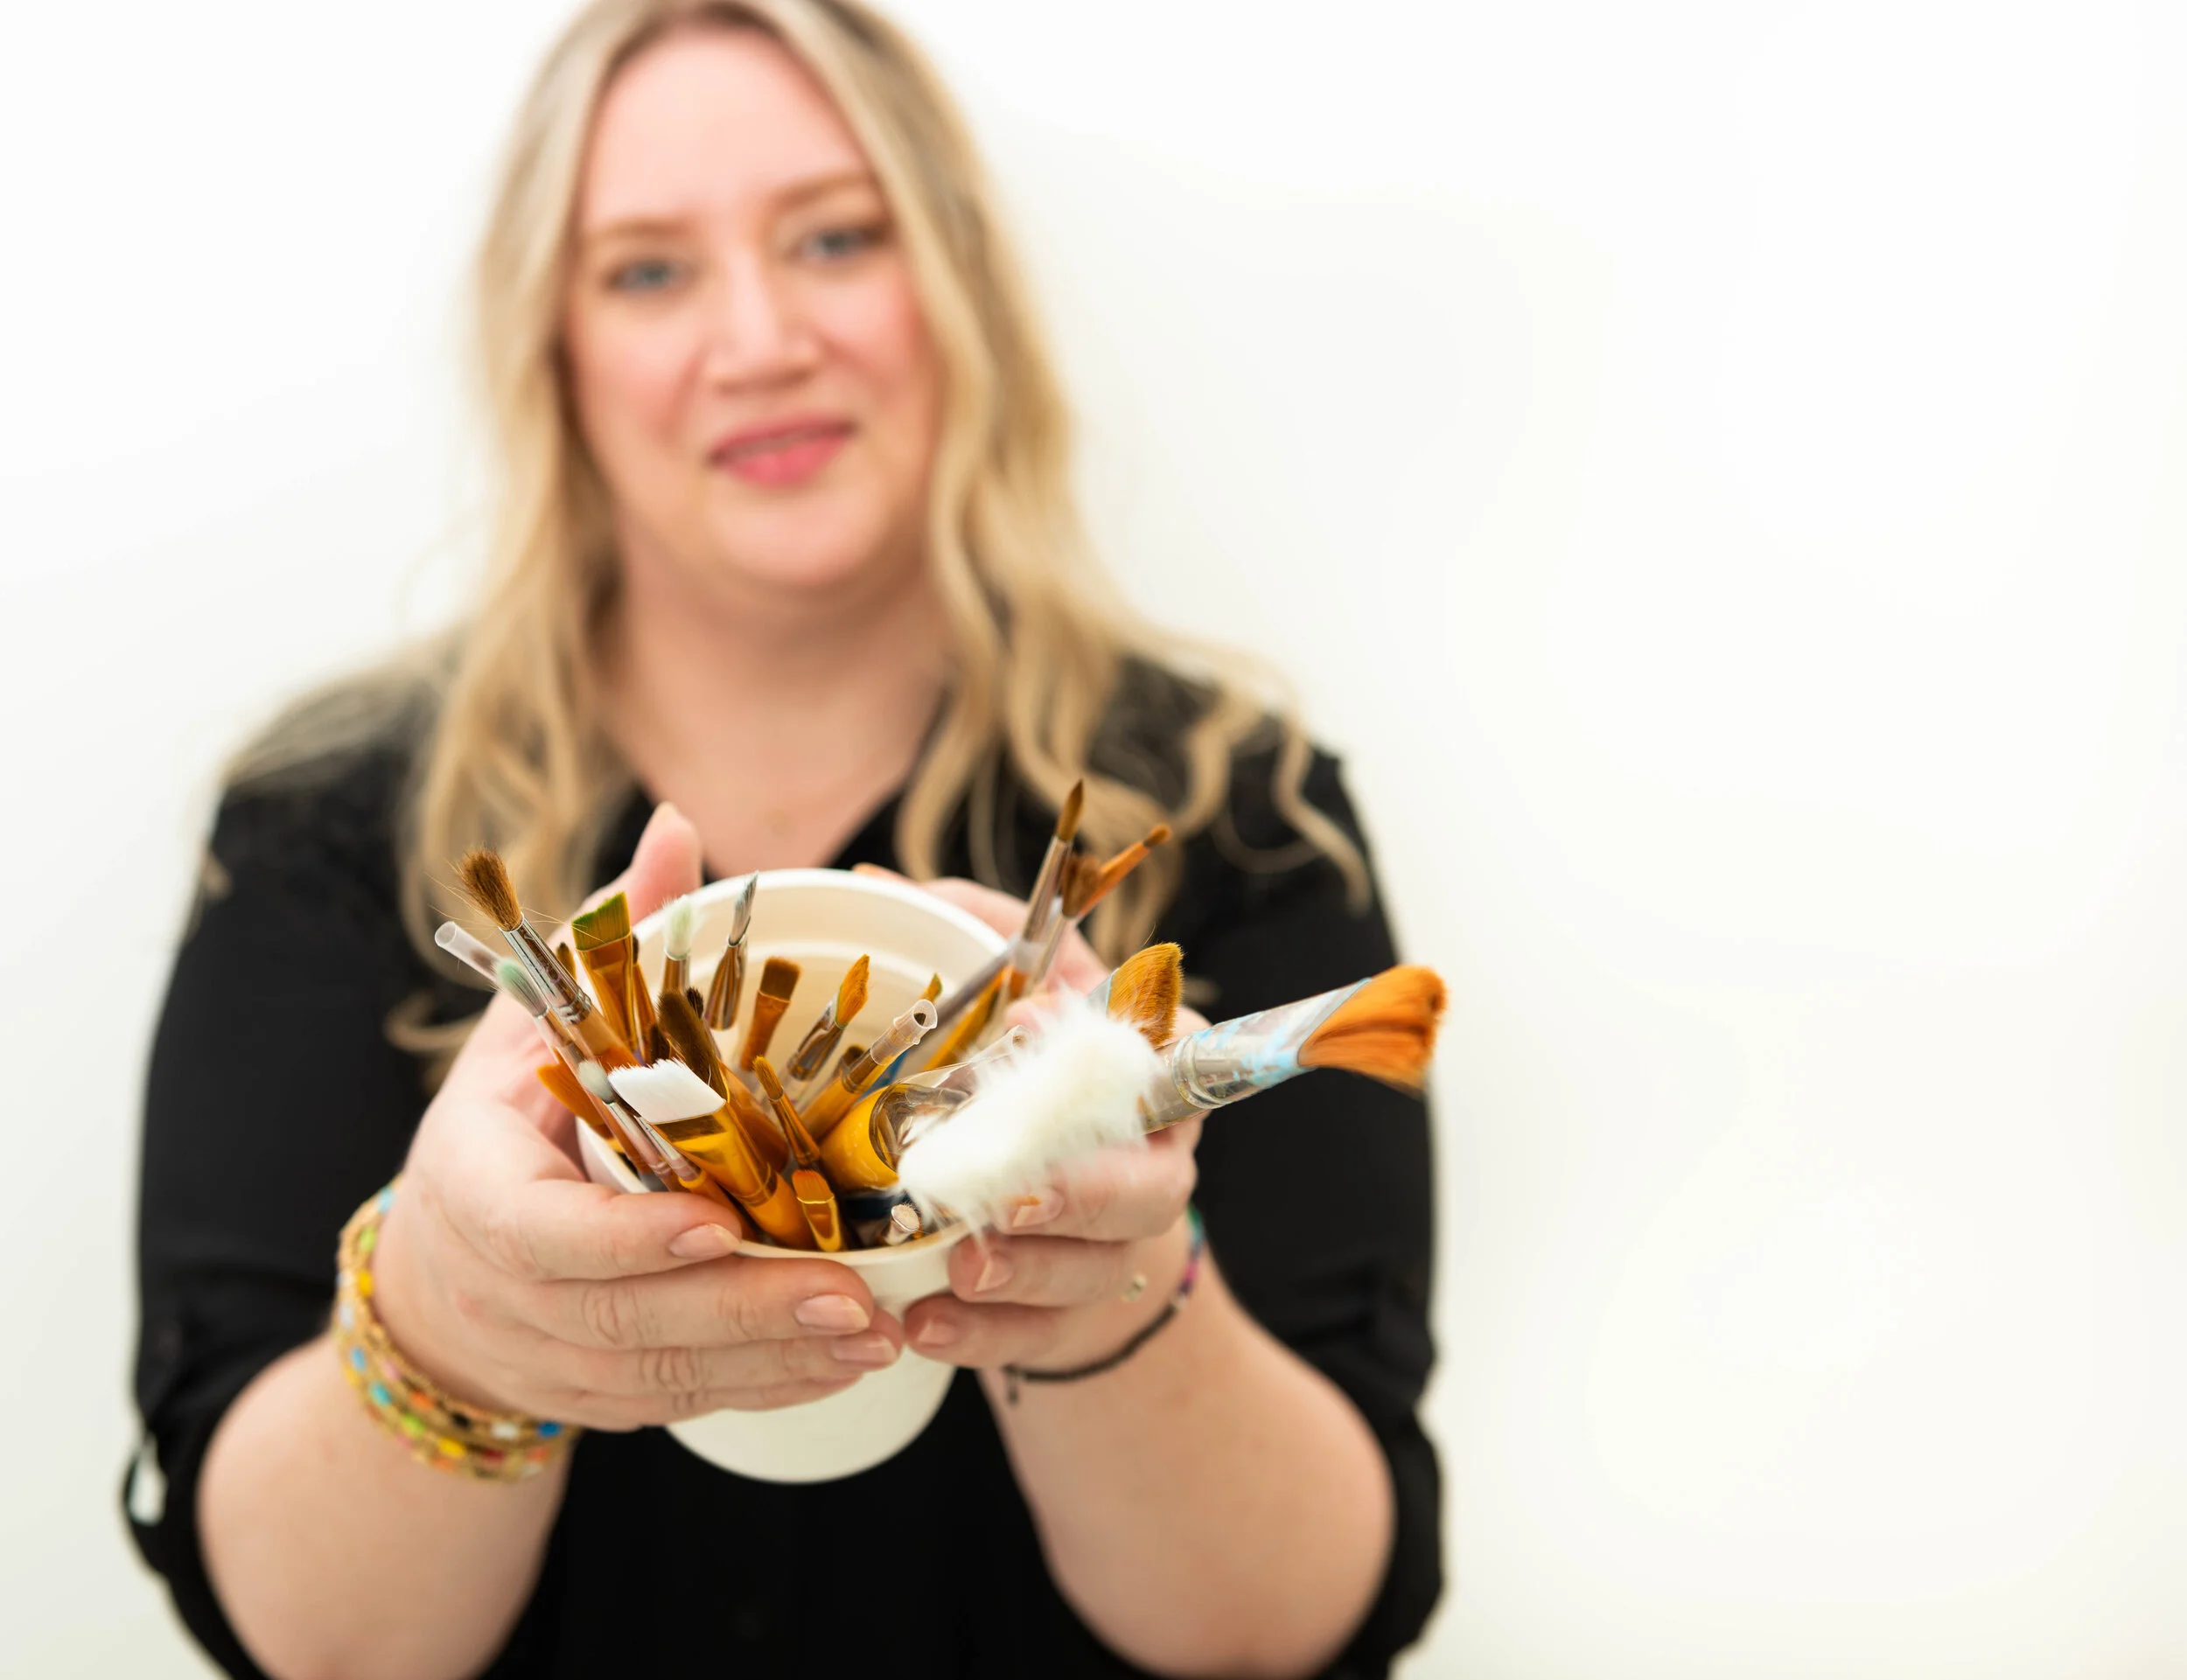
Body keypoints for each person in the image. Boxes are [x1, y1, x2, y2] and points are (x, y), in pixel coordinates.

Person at [125, 3, 1440, 1676]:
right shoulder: (319, 833)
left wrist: (1120, 1281)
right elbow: (314, 1645)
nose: (759, 338)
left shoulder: (1243, 813)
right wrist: (447, 1327)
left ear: (952, 285)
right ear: (557, 351)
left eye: (833, 236)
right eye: (650, 271)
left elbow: (1286, 1629)